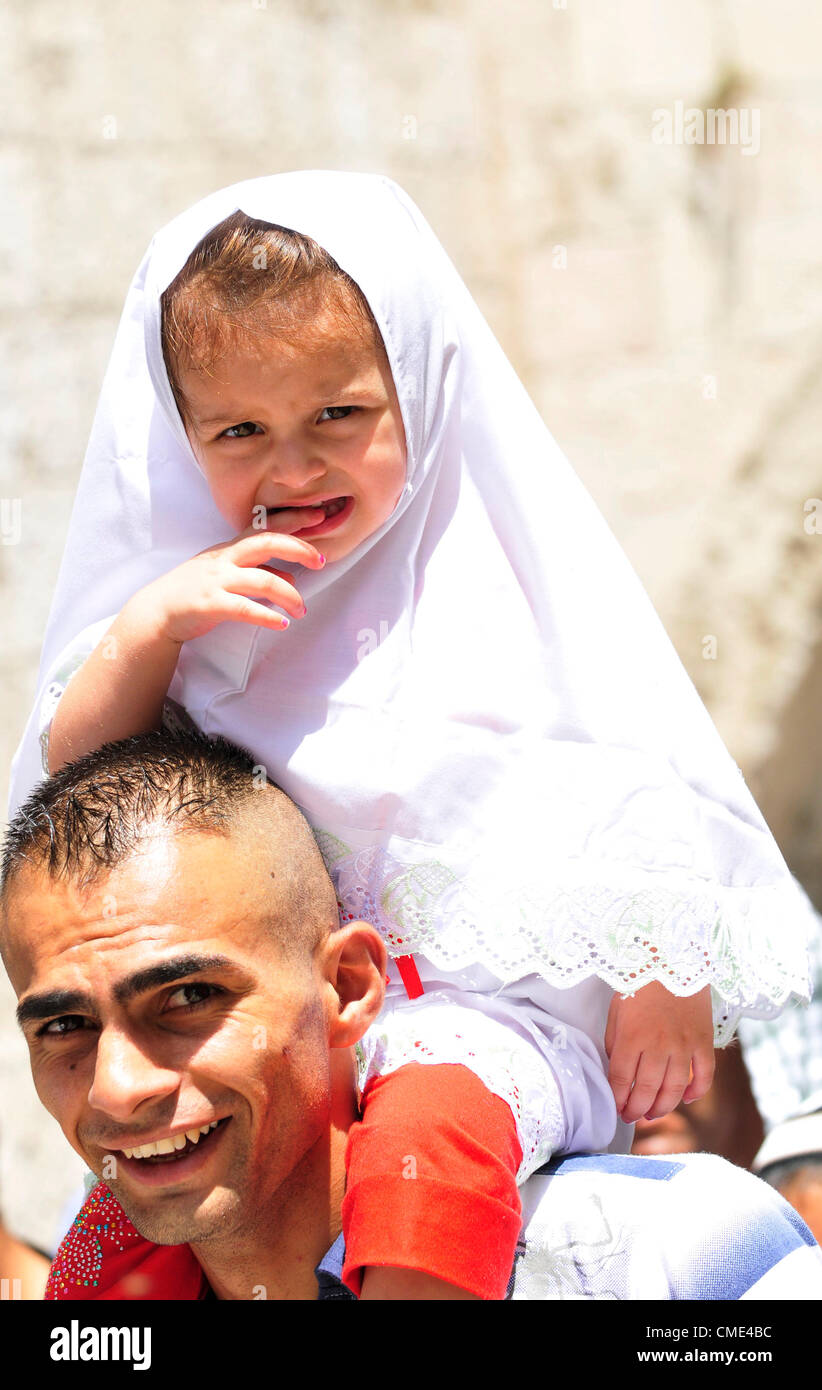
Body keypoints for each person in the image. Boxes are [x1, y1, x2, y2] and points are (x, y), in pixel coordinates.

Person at [7, 172, 816, 1300]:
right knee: (114, 1227)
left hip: (491, 1032)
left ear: (420, 392)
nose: (293, 469)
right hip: (284, 1052)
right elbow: (85, 775)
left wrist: (659, 966)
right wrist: (150, 628)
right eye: (241, 432)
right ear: (184, 438)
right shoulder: (210, 614)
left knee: (428, 1140)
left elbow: (638, 764)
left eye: (338, 416)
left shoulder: (508, 589)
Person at [1, 729, 820, 1301]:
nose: (116, 1089)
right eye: (63, 1027)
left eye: (188, 998)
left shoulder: (672, 1256)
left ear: (350, 987)